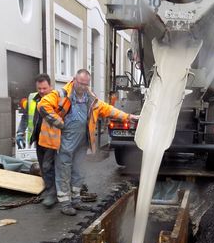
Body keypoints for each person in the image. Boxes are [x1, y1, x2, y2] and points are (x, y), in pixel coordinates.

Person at [37, 69, 136, 216]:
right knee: (63, 170)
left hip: (82, 141)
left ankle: (76, 200)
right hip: (66, 140)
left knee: (78, 171)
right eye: (80, 83)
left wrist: (127, 116)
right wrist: (58, 122)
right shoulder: (61, 94)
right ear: (74, 80)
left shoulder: (90, 98)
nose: (82, 86)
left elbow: (107, 109)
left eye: (85, 84)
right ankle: (65, 203)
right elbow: (43, 105)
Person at [16, 74, 58, 207]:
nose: (41, 91)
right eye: (39, 88)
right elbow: (25, 117)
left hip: (52, 140)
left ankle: (52, 194)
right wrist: (20, 133)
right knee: (43, 167)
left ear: (50, 86)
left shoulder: (57, 99)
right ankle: (49, 190)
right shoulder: (32, 98)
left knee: (47, 166)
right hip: (38, 138)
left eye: (44, 88)